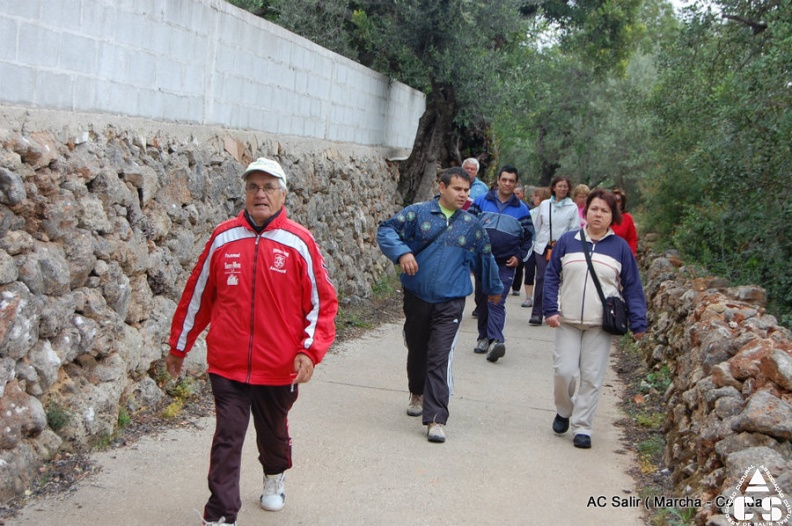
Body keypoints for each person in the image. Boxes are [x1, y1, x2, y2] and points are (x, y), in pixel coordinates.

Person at [167, 158, 338, 526]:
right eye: (253, 187)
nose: (260, 194)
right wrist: (179, 345)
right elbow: (197, 296)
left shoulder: (299, 242)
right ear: (244, 193)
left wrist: (309, 351)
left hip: (278, 367)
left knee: (272, 433)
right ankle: (221, 513)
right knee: (228, 436)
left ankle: (274, 476)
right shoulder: (223, 238)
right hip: (227, 364)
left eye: (268, 187)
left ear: (283, 194)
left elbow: (322, 303)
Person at [377, 167, 502, 443]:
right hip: (417, 296)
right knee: (417, 347)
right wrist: (403, 253)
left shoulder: (471, 224)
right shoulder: (418, 213)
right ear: (442, 187)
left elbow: (485, 257)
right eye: (458, 189)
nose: (463, 195)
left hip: (451, 301)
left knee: (439, 356)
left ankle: (435, 418)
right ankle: (417, 392)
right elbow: (386, 230)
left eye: (467, 191)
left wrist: (493, 288)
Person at [543, 189, 647, 449]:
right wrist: (550, 309)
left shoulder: (620, 248)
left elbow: (632, 286)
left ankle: (583, 427)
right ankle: (564, 410)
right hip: (566, 320)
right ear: (585, 211)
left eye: (604, 210)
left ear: (613, 216)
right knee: (564, 372)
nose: (598, 214)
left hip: (600, 324)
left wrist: (638, 322)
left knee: (591, 376)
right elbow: (552, 276)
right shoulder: (568, 241)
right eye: (594, 209)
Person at [468, 166, 534, 362]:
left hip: (505, 263)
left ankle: (496, 340)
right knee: (481, 299)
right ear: (498, 180)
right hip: (483, 261)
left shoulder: (522, 210)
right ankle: (483, 337)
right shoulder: (481, 202)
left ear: (515, 184)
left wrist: (519, 257)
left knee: (496, 299)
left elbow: (529, 238)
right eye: (504, 179)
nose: (507, 183)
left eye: (511, 181)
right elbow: (467, 227)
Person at [529, 176, 579, 326]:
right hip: (542, 246)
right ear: (554, 188)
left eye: (565, 186)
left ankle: (553, 311)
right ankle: (537, 312)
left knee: (558, 280)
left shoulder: (572, 207)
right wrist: (535, 242)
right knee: (541, 277)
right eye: (559, 186)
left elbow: (575, 229)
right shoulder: (545, 204)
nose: (562, 189)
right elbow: (537, 225)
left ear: (568, 189)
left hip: (562, 249)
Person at [521, 186, 551, 308]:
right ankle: (529, 297)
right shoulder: (531, 212)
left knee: (542, 274)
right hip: (530, 245)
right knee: (529, 271)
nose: (534, 197)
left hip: (543, 246)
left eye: (537, 195)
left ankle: (543, 297)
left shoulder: (549, 211)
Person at [610, 188, 638, 256]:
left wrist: (631, 255)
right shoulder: (606, 216)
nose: (616, 202)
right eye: (614, 200)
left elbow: (632, 239)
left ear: (622, 203)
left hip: (623, 254)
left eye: (618, 200)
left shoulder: (628, 218)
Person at [510, 183, 527, 296]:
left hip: (521, 239)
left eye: (518, 193)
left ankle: (516, 287)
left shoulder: (526, 208)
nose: (516, 195)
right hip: (511, 238)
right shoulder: (509, 207)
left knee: (519, 265)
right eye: (514, 193)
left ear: (522, 194)